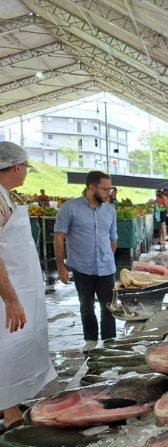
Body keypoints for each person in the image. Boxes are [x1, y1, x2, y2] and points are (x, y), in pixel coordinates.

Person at [0, 143, 56, 428]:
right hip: (6, 291)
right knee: (6, 347)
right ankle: (9, 412)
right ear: (17, 166)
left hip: (19, 287)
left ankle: (12, 401)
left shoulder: (6, 196)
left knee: (18, 344)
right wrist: (9, 299)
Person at [54, 171, 118, 353]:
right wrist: (61, 267)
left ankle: (110, 342)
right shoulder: (70, 208)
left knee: (109, 306)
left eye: (110, 189)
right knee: (86, 305)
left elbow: (113, 238)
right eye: (105, 189)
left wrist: (109, 258)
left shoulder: (110, 211)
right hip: (82, 267)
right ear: (92, 187)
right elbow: (59, 238)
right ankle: (90, 339)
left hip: (106, 267)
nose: (109, 193)